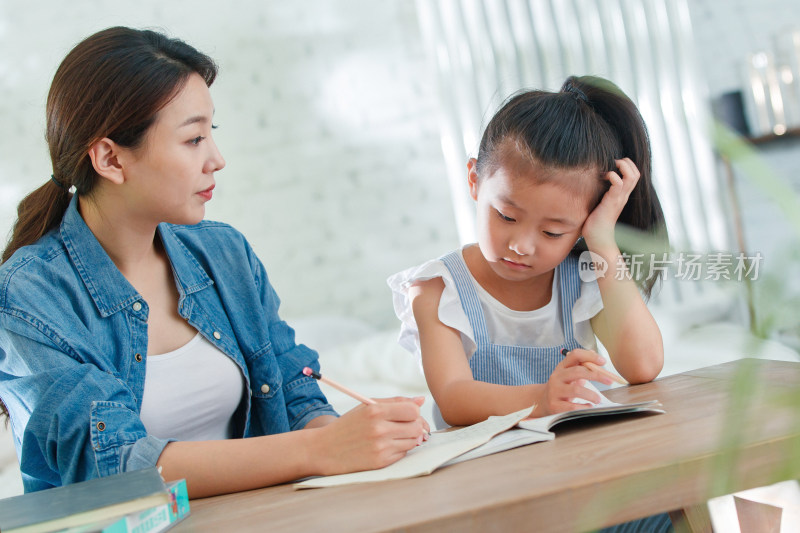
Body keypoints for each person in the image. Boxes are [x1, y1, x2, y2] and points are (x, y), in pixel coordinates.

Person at [0, 26, 428, 497]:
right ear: (110, 159)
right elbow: (115, 467)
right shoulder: (29, 296)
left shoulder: (225, 254)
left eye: (212, 133)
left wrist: (360, 440)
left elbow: (291, 386)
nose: (217, 159)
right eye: (193, 140)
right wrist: (323, 450)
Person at [389, 75, 673, 531]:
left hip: (582, 475)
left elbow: (642, 365)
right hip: (491, 493)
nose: (522, 245)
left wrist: (602, 239)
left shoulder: (580, 278)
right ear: (474, 180)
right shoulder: (438, 288)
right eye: (506, 216)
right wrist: (543, 399)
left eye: (553, 232)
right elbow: (455, 398)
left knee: (669, 508)